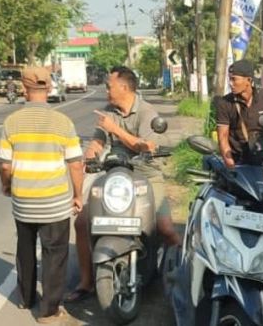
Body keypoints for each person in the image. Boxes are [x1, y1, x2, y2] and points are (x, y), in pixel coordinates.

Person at [66, 65, 182, 302]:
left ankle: (183, 273)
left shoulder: (146, 112)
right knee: (82, 223)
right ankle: (86, 282)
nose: (106, 89)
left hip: (146, 175)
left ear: (124, 87)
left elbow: (146, 146)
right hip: (115, 176)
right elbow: (97, 142)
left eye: (109, 85)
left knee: (165, 229)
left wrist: (115, 129)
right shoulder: (109, 112)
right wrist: (88, 158)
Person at [0, 66, 84, 323]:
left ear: (24, 89)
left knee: (25, 249)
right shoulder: (63, 123)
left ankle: (25, 298)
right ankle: (48, 311)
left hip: (23, 202)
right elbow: (76, 164)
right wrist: (78, 195)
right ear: (49, 88)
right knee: (54, 255)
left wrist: (6, 186)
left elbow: (4, 165)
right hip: (54, 203)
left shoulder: (11, 122)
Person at [215, 59, 263, 169]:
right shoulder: (225, 103)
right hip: (238, 162)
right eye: (229, 79)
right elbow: (223, 137)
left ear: (248, 80)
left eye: (234, 79)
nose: (230, 83)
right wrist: (229, 162)